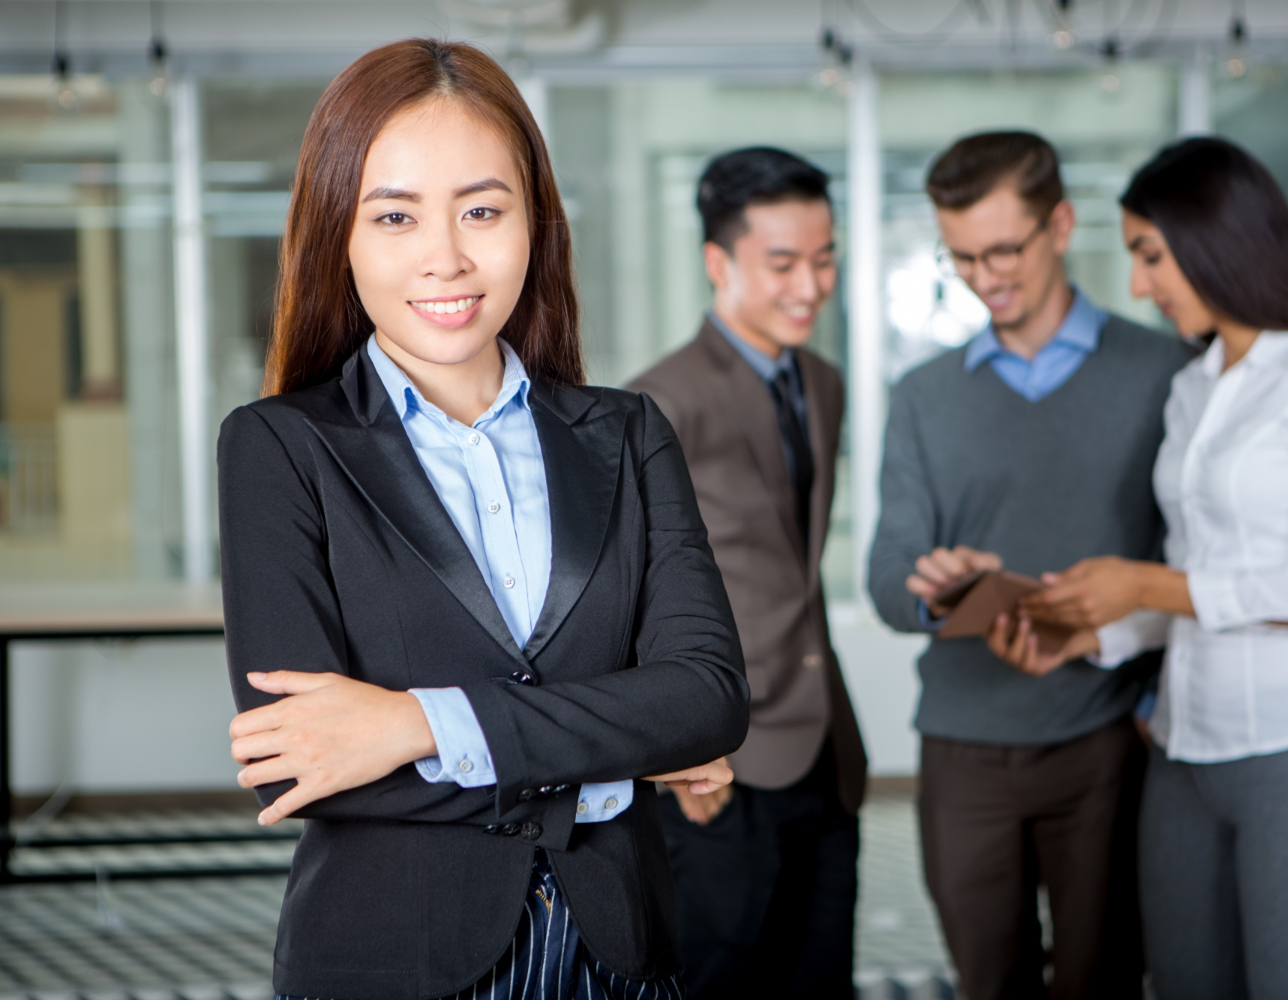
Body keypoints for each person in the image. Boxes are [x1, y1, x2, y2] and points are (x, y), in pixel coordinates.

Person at [218, 39, 749, 1000]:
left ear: (534, 223)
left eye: (482, 210)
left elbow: (707, 698)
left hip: (621, 958)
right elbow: (296, 762)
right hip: (392, 961)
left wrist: (414, 721)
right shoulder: (279, 448)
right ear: (339, 232)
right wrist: (625, 759)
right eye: (395, 216)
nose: (446, 257)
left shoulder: (626, 433)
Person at [1022, 136, 1288, 1000]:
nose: (1138, 285)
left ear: (1220, 239)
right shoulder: (1192, 386)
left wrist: (1139, 584)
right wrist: (1089, 632)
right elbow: (1199, 579)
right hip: (1184, 755)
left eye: (1150, 255)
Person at [866, 131, 1194, 1000]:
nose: (985, 276)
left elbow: (1190, 563)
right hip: (964, 749)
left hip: (1108, 740)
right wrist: (934, 590)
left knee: (1104, 977)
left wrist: (1156, 703)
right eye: (963, 256)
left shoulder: (1164, 373)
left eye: (1004, 248)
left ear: (1060, 224)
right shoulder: (925, 397)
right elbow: (887, 571)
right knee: (988, 983)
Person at [627, 147, 867, 1000]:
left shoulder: (824, 382)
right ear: (718, 262)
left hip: (826, 750)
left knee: (818, 978)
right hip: (721, 761)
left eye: (825, 258)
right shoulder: (658, 403)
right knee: (719, 977)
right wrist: (677, 746)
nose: (811, 285)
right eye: (784, 264)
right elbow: (625, 600)